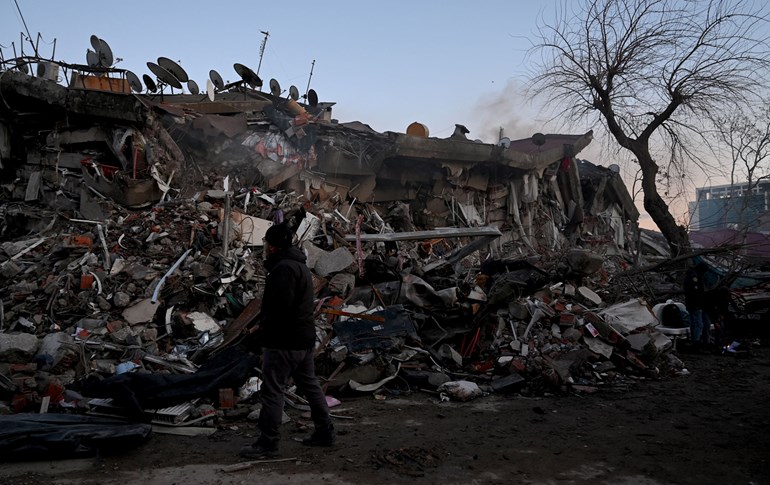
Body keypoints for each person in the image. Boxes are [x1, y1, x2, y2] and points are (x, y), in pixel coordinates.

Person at [239, 223, 335, 459]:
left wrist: (263, 335)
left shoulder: (283, 269)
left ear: (272, 246)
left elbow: (280, 309)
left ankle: (267, 443)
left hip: (284, 341)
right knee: (310, 386)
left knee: (273, 390)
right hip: (303, 338)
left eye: (266, 243)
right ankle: (325, 432)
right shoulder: (299, 266)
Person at [683, 261, 711, 348]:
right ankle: (696, 342)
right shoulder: (694, 277)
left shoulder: (691, 275)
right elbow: (696, 292)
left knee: (694, 323)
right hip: (696, 304)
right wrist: (702, 301)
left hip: (692, 303)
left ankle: (696, 340)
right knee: (698, 324)